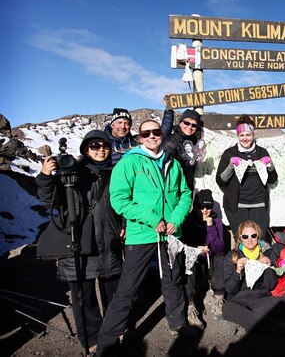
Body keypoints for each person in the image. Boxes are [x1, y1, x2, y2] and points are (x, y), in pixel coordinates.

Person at [96, 120, 192, 356]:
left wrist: (176, 219)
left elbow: (185, 194)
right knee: (128, 288)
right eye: (146, 133)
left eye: (155, 132)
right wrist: (151, 219)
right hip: (141, 234)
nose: (151, 136)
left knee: (172, 281)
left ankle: (178, 324)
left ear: (161, 134)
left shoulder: (172, 163)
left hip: (170, 234)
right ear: (139, 137)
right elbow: (119, 199)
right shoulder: (129, 162)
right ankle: (107, 343)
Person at [35, 130, 124, 353]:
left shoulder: (116, 173)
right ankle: (92, 338)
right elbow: (50, 200)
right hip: (79, 241)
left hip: (110, 239)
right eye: (94, 145)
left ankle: (113, 332)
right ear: (86, 149)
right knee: (84, 296)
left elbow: (123, 201)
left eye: (104, 145)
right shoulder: (72, 171)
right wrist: (46, 176)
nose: (101, 149)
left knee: (113, 291)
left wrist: (124, 224)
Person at [216, 115, 278, 242]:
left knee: (260, 239)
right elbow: (220, 180)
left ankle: (259, 262)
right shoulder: (230, 153)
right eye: (242, 135)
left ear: (253, 134)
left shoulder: (262, 152)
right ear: (238, 136)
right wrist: (231, 166)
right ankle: (241, 262)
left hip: (259, 204)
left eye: (248, 135)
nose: (245, 138)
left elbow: (272, 180)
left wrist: (270, 165)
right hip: (236, 205)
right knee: (241, 239)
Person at [222, 220, 285, 332]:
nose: (249, 239)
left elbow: (271, 286)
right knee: (227, 308)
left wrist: (269, 268)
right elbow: (230, 289)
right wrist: (237, 271)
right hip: (239, 300)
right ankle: (264, 323)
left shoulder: (266, 253)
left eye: (253, 236)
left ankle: (252, 323)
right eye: (245, 236)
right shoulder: (233, 255)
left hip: (260, 299)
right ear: (240, 238)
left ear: (258, 237)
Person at [182, 189, 226, 326]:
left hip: (210, 261)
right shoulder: (188, 221)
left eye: (208, 207)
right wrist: (196, 250)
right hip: (196, 261)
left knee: (221, 258)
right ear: (196, 206)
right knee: (187, 263)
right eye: (201, 207)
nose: (205, 210)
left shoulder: (217, 221)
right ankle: (190, 306)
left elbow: (219, 248)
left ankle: (218, 298)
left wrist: (211, 227)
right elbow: (184, 245)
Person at [161, 108, 203, 191]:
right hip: (174, 188)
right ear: (180, 123)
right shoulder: (171, 142)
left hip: (187, 187)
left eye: (194, 125)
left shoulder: (194, 141)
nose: (190, 127)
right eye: (186, 123)